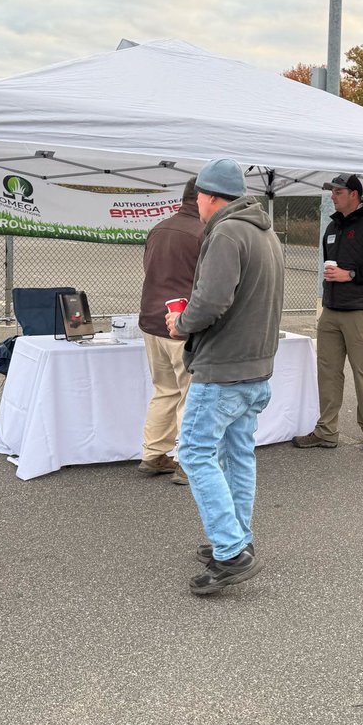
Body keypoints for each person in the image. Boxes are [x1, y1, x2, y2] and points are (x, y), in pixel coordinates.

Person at [167, 158, 283, 595]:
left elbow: (212, 300)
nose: (196, 203)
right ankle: (237, 537)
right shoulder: (264, 232)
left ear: (212, 196)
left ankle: (231, 550)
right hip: (256, 369)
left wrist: (182, 324)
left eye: (198, 195)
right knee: (239, 455)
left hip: (224, 370)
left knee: (195, 453)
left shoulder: (227, 232)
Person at [292, 172, 363, 452]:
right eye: (332, 192)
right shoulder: (332, 227)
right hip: (332, 310)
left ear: (354, 195)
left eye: (338, 192)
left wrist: (350, 274)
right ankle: (326, 431)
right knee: (327, 372)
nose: (333, 196)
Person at [136, 178, 203, 485]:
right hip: (182, 326)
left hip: (151, 321)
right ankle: (186, 463)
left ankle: (153, 454)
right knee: (192, 394)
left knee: (164, 389)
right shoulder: (205, 232)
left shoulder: (159, 228)